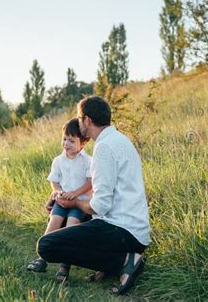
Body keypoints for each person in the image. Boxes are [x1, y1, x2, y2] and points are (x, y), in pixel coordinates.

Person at [37, 96, 151, 295]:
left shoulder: (104, 148)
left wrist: (75, 202)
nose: (78, 122)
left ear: (87, 120)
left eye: (80, 119)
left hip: (122, 231)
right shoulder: (120, 140)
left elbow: (99, 206)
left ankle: (125, 261)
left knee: (46, 245)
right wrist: (64, 199)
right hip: (134, 229)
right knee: (70, 221)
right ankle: (110, 266)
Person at [27, 118, 92, 282]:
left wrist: (75, 193)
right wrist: (57, 192)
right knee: (54, 222)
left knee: (71, 227)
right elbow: (54, 180)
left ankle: (65, 266)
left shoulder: (88, 161)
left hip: (79, 203)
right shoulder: (58, 160)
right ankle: (42, 258)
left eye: (71, 140)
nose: (66, 143)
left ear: (83, 142)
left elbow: (90, 182)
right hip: (62, 201)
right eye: (64, 139)